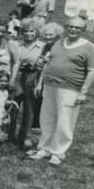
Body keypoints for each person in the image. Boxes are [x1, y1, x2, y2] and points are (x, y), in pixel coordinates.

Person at [29, 16, 94, 165]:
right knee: (47, 118)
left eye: (77, 28)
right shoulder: (58, 43)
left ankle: (58, 152)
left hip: (70, 88)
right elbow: (48, 62)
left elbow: (91, 71)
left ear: (83, 30)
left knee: (65, 121)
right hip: (50, 85)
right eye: (70, 26)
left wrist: (83, 92)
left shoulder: (89, 47)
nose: (73, 29)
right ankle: (44, 148)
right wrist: (40, 82)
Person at [8, 20, 45, 148]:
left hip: (33, 77)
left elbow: (44, 64)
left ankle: (25, 135)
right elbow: (13, 61)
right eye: (26, 31)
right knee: (13, 105)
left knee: (29, 107)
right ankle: (9, 133)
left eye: (31, 31)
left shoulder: (42, 46)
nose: (28, 34)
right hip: (18, 76)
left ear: (36, 33)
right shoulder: (17, 45)